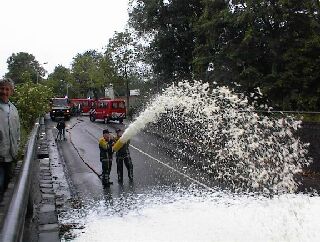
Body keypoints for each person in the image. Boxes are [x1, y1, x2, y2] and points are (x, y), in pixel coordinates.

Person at [0, 78, 20, 199]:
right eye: (2, 88)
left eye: (7, 89)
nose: (4, 91)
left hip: (10, 155)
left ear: (11, 91)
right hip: (0, 155)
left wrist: (17, 147)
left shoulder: (14, 109)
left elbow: (17, 131)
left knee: (7, 184)